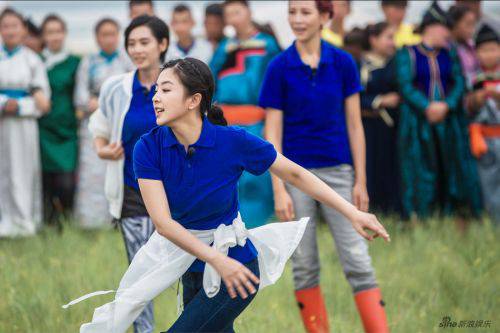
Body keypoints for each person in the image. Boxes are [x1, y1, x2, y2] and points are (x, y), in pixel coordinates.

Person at [66, 56, 390, 333]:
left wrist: (354, 212)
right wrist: (213, 259)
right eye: (155, 90)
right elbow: (163, 224)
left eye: (166, 90)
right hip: (192, 266)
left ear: (194, 100)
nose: (155, 97)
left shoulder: (234, 142)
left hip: (236, 269)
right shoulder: (148, 147)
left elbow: (294, 173)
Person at [260, 2, 390, 332]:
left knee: (358, 260)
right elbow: (271, 132)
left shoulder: (343, 62)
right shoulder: (278, 67)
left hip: (339, 172)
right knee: (304, 265)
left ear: (325, 17)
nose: (297, 19)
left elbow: (354, 125)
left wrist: (361, 180)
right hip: (293, 175)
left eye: (305, 12)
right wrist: (279, 189)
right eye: (293, 12)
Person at [88, 15, 169, 333]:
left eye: (144, 42)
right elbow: (100, 124)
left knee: (188, 272)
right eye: (132, 43)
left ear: (162, 44)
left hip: (177, 194)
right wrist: (101, 148)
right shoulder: (116, 87)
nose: (137, 49)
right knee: (141, 275)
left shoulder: (179, 82)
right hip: (132, 192)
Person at [396, 1, 482, 221]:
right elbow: (405, 85)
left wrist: (446, 105)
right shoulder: (408, 53)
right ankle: (421, 215)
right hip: (418, 123)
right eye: (445, 28)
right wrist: (427, 107)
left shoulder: (449, 54)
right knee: (421, 168)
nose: (448, 33)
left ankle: (453, 212)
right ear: (432, 28)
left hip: (448, 121)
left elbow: (459, 82)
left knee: (451, 165)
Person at [210, 0, 281, 229]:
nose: (233, 18)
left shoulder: (267, 45)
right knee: (228, 178)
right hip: (225, 123)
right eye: (228, 14)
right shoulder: (224, 46)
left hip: (256, 121)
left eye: (237, 12)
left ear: (248, 12)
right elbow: (209, 79)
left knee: (256, 177)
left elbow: (276, 85)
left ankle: (258, 229)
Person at [74, 18, 134, 229]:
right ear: (97, 37)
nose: (109, 39)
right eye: (104, 34)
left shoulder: (126, 62)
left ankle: (117, 218)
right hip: (95, 122)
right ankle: (91, 221)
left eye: (112, 34)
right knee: (93, 171)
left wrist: (100, 101)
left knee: (118, 168)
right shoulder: (88, 62)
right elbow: (81, 97)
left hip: (121, 122)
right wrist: (101, 102)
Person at [0, 8, 50, 237]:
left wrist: (20, 106)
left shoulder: (32, 60)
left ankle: (24, 221)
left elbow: (43, 99)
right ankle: (4, 221)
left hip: (23, 124)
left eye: (14, 25)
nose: (10, 30)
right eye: (5, 25)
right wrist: (3, 103)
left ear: (23, 29)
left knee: (23, 169)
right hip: (1, 119)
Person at [38, 15, 80, 228]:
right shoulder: (36, 61)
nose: (54, 36)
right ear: (43, 36)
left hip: (67, 129)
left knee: (66, 181)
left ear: (64, 34)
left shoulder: (74, 62)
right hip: (42, 129)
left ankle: (68, 221)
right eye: (49, 32)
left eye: (58, 31)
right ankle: (48, 224)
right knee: (46, 180)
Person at [360, 22, 401, 215]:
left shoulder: (396, 63)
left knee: (392, 167)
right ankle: (373, 209)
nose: (393, 43)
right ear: (373, 39)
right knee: (371, 166)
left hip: (393, 127)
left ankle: (393, 209)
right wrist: (380, 100)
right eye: (388, 37)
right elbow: (356, 97)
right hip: (369, 127)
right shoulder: (361, 66)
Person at [466, 24, 500, 224]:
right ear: (477, 53)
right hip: (484, 140)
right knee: (488, 186)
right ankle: (493, 226)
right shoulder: (473, 78)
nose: (488, 55)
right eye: (484, 50)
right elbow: (469, 107)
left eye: (493, 49)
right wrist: (480, 96)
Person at [449, 4, 479, 83]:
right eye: (468, 24)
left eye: (473, 24)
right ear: (454, 24)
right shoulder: (446, 49)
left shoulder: (472, 46)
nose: (472, 29)